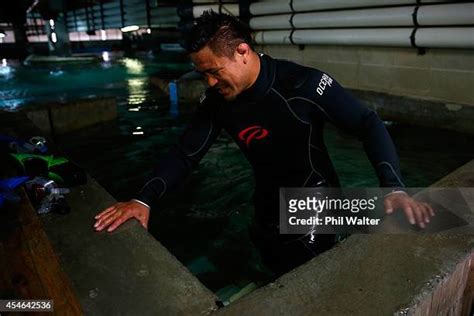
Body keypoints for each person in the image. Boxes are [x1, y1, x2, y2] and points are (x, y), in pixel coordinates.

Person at [94, 11, 434, 275]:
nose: (209, 82)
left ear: (242, 51)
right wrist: (143, 199)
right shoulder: (218, 99)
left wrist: (393, 188)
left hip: (314, 206)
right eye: (202, 75)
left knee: (306, 276)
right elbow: (186, 152)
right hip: (266, 207)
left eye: (214, 71)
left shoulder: (302, 83)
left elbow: (367, 122)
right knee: (269, 269)